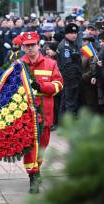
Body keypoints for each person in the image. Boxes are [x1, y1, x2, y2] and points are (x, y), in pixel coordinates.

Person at [21, 31, 64, 193]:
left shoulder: (50, 64)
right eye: (27, 46)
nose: (30, 48)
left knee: (42, 147)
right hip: (26, 114)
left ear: (38, 45)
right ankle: (33, 176)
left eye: (33, 45)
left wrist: (43, 87)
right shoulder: (18, 64)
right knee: (30, 147)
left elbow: (59, 85)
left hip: (45, 114)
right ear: (23, 47)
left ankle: (36, 169)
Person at [57, 23, 82, 114]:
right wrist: (74, 81)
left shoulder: (72, 44)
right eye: (71, 33)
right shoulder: (65, 46)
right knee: (70, 104)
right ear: (66, 34)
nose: (74, 35)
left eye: (75, 33)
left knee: (68, 103)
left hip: (74, 78)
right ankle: (68, 125)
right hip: (69, 80)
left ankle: (64, 124)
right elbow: (68, 66)